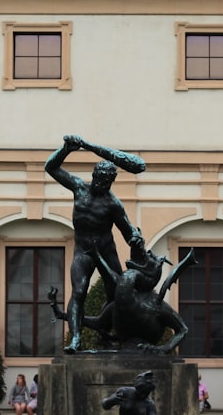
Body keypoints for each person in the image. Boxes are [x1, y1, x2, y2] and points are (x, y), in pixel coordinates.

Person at [45, 135, 146, 352]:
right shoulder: (78, 188)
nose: (102, 185)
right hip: (83, 250)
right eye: (100, 180)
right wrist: (65, 149)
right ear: (94, 176)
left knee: (118, 295)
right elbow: (51, 168)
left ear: (111, 182)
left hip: (106, 250)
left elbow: (127, 230)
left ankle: (112, 336)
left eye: (107, 182)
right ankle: (76, 340)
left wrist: (136, 239)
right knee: (79, 291)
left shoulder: (113, 204)